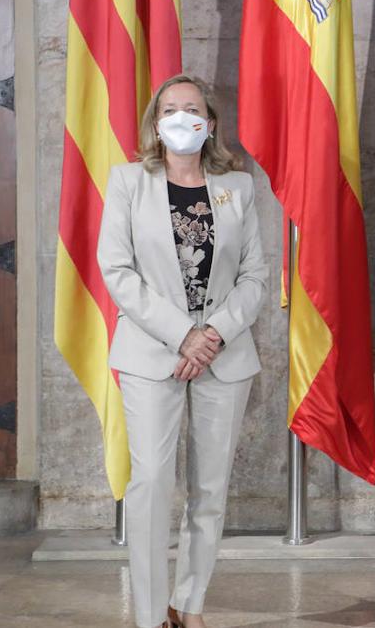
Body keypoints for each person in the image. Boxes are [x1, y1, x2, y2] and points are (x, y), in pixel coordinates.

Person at [97, 74, 268, 628]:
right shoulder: (127, 182)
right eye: (169, 108)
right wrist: (182, 334)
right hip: (152, 354)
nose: (180, 117)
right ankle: (149, 614)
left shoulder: (238, 187)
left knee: (211, 487)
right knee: (150, 483)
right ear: (155, 121)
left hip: (225, 355)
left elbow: (255, 276)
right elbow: (117, 271)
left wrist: (212, 333)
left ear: (210, 122)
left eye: (191, 108)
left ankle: (188, 604)